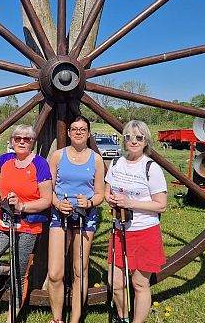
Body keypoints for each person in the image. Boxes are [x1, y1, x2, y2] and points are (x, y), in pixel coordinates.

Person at [0, 124, 52, 322]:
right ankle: (3, 269)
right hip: (1, 224)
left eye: (27, 139)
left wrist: (22, 207)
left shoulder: (40, 164)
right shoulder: (8, 159)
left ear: (33, 143)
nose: (22, 142)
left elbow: (46, 200)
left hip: (27, 227)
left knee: (19, 277)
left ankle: (11, 317)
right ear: (11, 141)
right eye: (18, 138)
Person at [106, 120, 167, 323]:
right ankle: (122, 317)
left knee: (140, 283)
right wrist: (111, 199)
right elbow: (107, 192)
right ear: (123, 141)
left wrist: (129, 202)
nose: (133, 141)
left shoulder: (151, 168)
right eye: (129, 137)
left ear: (146, 141)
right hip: (119, 229)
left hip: (144, 231)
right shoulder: (116, 163)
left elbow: (161, 205)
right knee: (115, 282)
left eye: (139, 137)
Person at [47, 115, 105, 323]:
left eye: (82, 129)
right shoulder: (58, 156)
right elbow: (48, 189)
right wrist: (57, 203)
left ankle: (75, 318)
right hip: (59, 215)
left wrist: (89, 203)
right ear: (69, 133)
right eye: (74, 129)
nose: (78, 132)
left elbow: (100, 193)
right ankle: (57, 318)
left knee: (80, 270)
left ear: (88, 133)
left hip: (85, 216)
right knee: (55, 272)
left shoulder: (96, 159)